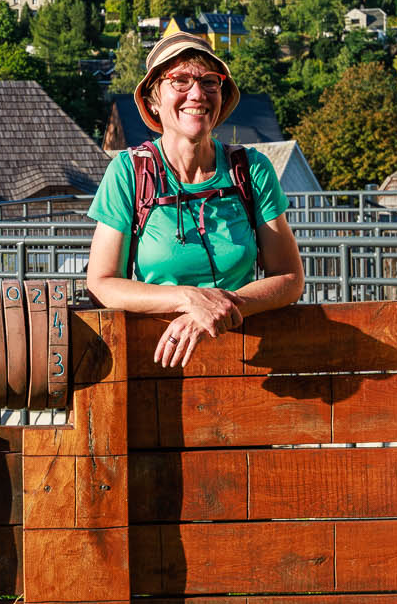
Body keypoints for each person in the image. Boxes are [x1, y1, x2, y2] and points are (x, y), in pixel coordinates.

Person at [85, 32, 305, 368]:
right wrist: (189, 299)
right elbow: (101, 285)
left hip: (249, 362)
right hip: (160, 362)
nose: (197, 93)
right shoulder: (128, 173)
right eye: (181, 80)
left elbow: (289, 278)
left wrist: (214, 311)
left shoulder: (251, 170)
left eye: (209, 82)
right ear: (154, 97)